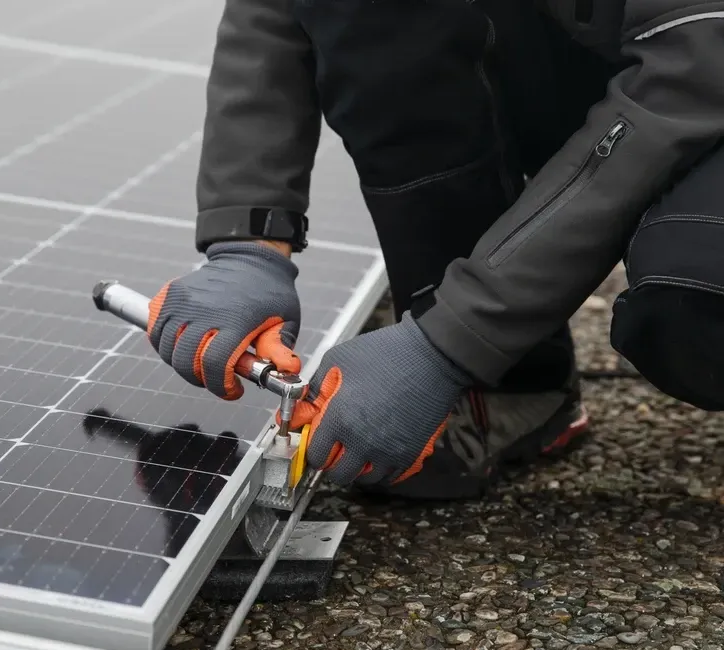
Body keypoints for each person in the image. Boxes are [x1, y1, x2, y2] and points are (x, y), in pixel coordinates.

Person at [145, 1, 724, 497]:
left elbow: (690, 79)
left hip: (700, 64)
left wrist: (452, 338)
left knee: (697, 301)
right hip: (620, 55)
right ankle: (510, 389)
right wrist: (248, 241)